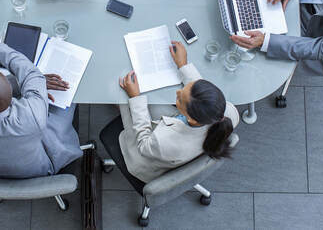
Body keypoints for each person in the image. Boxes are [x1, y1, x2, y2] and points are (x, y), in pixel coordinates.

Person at [0, 31, 83, 178]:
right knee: (71, 95)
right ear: (12, 96)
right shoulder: (31, 117)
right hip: (41, 169)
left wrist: (20, 84)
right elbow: (30, 73)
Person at [100, 41, 239, 186]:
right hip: (178, 138)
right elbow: (200, 92)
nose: (178, 92)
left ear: (190, 117)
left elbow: (143, 143)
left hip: (145, 155)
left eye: (179, 98)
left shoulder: (162, 142)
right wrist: (182, 65)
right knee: (148, 98)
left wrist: (135, 97)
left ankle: (120, 103)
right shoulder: (228, 112)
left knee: (118, 90)